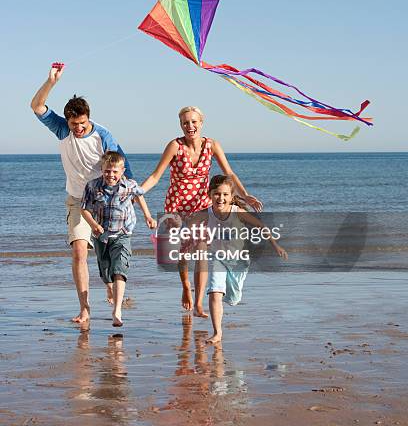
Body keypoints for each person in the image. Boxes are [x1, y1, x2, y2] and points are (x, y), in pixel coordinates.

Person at [30, 65, 153, 323]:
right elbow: (36, 106)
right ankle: (85, 308)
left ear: (89, 117)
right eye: (74, 124)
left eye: (82, 123)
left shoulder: (103, 135)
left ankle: (110, 286)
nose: (78, 128)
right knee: (78, 252)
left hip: (104, 202)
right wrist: (51, 81)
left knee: (106, 255)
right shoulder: (62, 129)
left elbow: (122, 167)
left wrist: (133, 199)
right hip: (77, 200)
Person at [141, 106, 263, 318]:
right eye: (186, 122)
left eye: (194, 122)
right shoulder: (174, 146)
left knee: (201, 248)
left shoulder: (212, 145)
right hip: (177, 205)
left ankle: (198, 302)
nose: (190, 126)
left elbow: (229, 173)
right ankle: (186, 287)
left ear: (201, 123)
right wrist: (137, 191)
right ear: (181, 125)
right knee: (182, 253)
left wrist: (245, 196)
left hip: (201, 206)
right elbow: (155, 175)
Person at [203, 175, 288, 344]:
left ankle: (228, 296)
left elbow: (261, 227)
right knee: (214, 292)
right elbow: (189, 227)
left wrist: (276, 246)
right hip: (216, 258)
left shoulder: (237, 212)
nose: (221, 198)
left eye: (225, 194)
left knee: (233, 299)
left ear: (232, 197)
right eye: (217, 194)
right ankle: (217, 333)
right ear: (210, 194)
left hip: (238, 261)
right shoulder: (206, 213)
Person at [81, 151, 155, 327]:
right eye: (107, 171)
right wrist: (93, 224)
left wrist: (148, 216)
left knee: (119, 269)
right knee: (105, 271)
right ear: (102, 169)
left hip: (123, 234)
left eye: (115, 171)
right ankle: (109, 287)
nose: (111, 175)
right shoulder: (92, 186)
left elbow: (140, 195)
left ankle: (117, 310)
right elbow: (84, 208)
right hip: (101, 235)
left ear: (122, 170)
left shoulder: (129, 185)